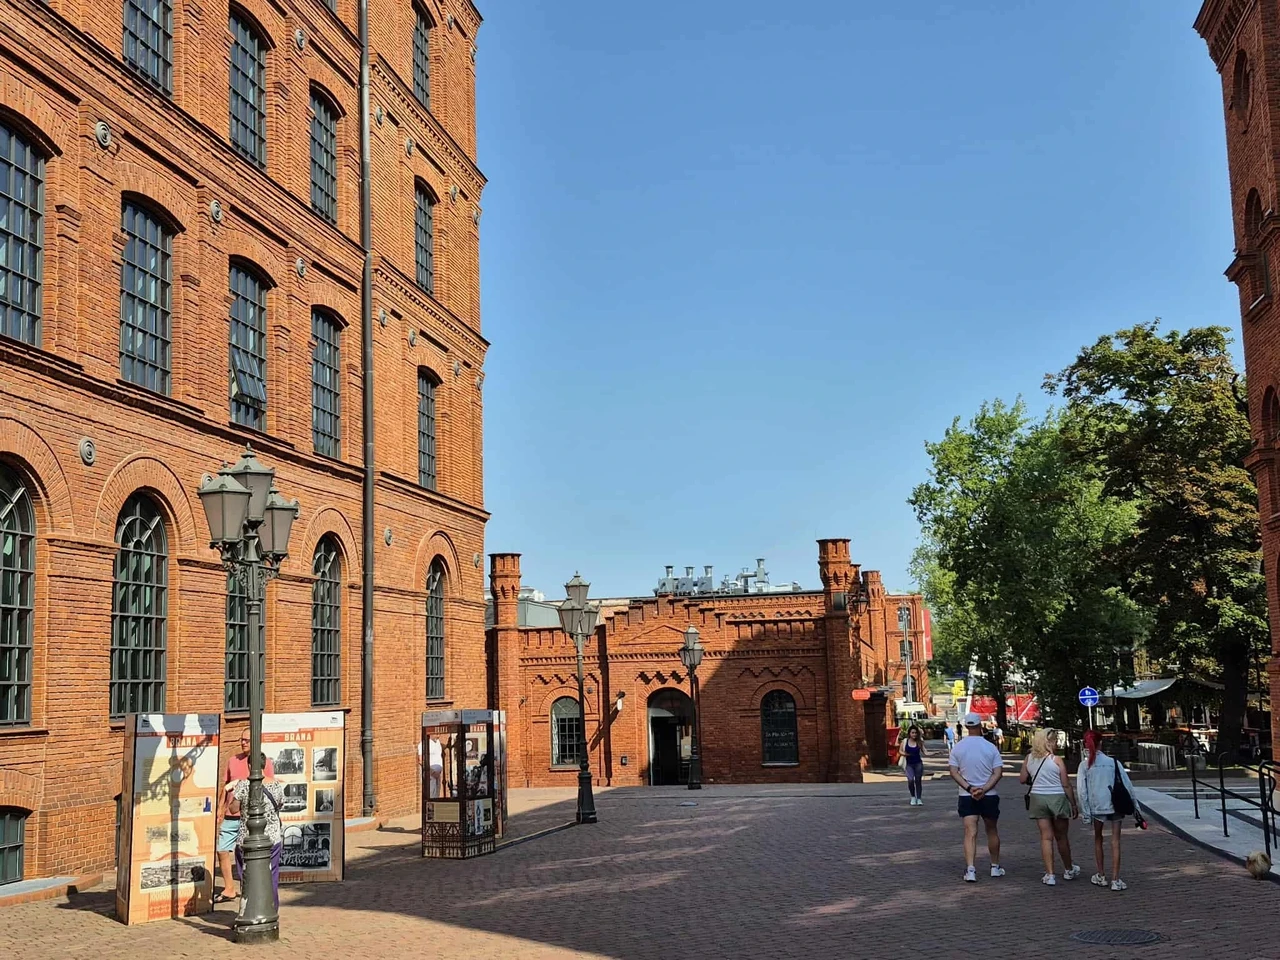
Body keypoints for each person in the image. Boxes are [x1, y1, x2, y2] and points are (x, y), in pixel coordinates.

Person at [1077, 730, 1142, 891]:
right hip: (1115, 804)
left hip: (1097, 806)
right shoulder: (1113, 762)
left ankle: (1101, 875)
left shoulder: (1085, 765)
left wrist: (1086, 812)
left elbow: (1082, 791)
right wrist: (1136, 808)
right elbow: (1127, 785)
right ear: (1101, 743)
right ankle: (1115, 879)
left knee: (1098, 839)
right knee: (1116, 841)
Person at [215, 731, 274, 904]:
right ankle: (229, 888)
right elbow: (225, 786)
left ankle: (247, 889)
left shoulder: (264, 762)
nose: (243, 743)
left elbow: (269, 784)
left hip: (251, 817)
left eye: (247, 740)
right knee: (222, 849)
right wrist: (220, 807)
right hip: (231, 815)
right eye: (241, 739)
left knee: (244, 855)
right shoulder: (232, 761)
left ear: (255, 741)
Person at [1018, 728, 1080, 886]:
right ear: (1049, 742)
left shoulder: (1029, 758)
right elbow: (1066, 784)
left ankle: (1050, 874)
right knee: (1062, 836)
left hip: (1038, 798)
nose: (1057, 743)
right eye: (1054, 741)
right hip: (1057, 798)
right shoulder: (1056, 760)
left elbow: (1022, 779)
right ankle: (1068, 869)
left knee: (1046, 837)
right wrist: (1073, 804)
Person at [949, 712, 1005, 882]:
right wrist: (984, 789)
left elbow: (954, 772)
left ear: (966, 726)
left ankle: (971, 869)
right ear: (980, 725)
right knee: (992, 830)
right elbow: (998, 772)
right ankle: (995, 867)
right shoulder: (990, 747)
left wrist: (969, 787)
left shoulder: (958, 748)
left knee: (970, 832)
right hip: (989, 795)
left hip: (967, 795)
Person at [232, 759, 285, 910]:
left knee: (247, 876)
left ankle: (248, 909)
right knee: (271, 875)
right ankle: (271, 909)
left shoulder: (243, 785)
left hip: (247, 839)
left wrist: (233, 795)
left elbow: (233, 809)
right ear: (264, 765)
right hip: (272, 838)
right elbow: (280, 804)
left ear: (249, 765)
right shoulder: (276, 785)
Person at [902, 725, 928, 805]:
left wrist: (935, 753)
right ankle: (913, 797)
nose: (914, 734)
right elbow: (900, 751)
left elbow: (925, 752)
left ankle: (919, 798)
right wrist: (905, 754)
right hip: (909, 764)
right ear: (909, 733)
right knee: (910, 780)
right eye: (912, 733)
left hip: (918, 764)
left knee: (918, 781)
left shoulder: (919, 742)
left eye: (915, 733)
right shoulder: (905, 741)